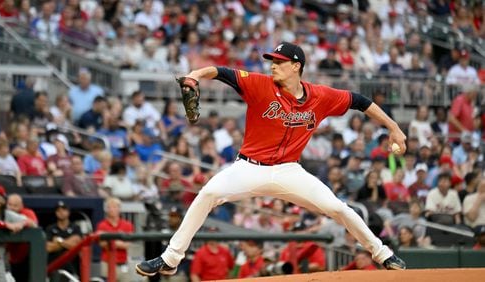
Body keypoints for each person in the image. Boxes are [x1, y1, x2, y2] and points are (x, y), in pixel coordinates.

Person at [136, 41, 407, 277]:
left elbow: (360, 101)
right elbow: (220, 72)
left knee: (337, 208)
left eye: (279, 62)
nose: (273, 66)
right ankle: (170, 259)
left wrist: (393, 127)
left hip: (289, 171)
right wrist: (194, 75)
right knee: (208, 193)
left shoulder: (320, 96)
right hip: (249, 168)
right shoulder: (259, 85)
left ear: (296, 66)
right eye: (272, 61)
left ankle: (383, 254)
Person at [0, 185, 29, 282]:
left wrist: (21, 224)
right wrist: (5, 225)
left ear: (4, 201)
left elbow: (30, 222)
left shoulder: (7, 214)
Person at [96, 197, 134, 282]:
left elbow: (127, 245)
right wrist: (118, 241)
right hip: (107, 263)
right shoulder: (101, 225)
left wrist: (110, 241)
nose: (112, 209)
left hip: (123, 263)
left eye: (115, 207)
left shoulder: (127, 225)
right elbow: (102, 244)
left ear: (119, 209)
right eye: (109, 207)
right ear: (106, 209)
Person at [45, 201, 83, 279]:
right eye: (58, 210)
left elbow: (77, 246)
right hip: (54, 268)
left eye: (64, 210)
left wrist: (59, 241)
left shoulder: (75, 228)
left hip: (73, 268)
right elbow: (48, 248)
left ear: (68, 212)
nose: (61, 212)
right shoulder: (50, 228)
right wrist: (68, 243)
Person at [6, 193, 38, 282]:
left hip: (28, 257)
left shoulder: (27, 212)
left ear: (21, 206)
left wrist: (21, 223)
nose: (12, 208)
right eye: (10, 205)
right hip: (12, 257)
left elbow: (34, 224)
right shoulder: (4, 213)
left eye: (15, 205)